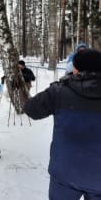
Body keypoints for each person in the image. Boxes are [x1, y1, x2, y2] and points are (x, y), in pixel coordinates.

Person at [24, 48, 101, 199]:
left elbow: (31, 108)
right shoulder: (60, 90)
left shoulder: (59, 91)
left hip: (65, 173)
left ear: (76, 69)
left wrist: (59, 86)